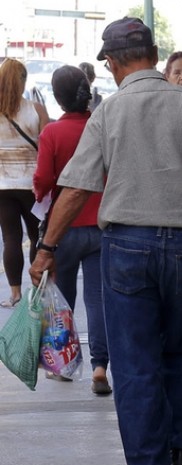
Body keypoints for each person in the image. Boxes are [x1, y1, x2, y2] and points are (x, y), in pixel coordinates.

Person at [28, 17, 182, 465]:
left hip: (127, 247)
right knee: (178, 346)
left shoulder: (108, 114)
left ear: (110, 64)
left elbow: (76, 188)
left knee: (133, 361)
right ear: (154, 53)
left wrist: (47, 248)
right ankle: (179, 449)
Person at [32, 66, 110, 394]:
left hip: (62, 230)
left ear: (58, 98)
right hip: (102, 223)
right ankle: (100, 367)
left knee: (61, 298)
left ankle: (63, 364)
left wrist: (41, 199)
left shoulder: (51, 133)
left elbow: (42, 180)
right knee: (98, 300)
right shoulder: (101, 126)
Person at [0, 58, 48, 308]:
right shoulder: (36, 109)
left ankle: (15, 294)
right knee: (36, 236)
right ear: (23, 82)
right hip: (32, 184)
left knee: (10, 238)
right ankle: (37, 292)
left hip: (2, 186)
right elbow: (47, 148)